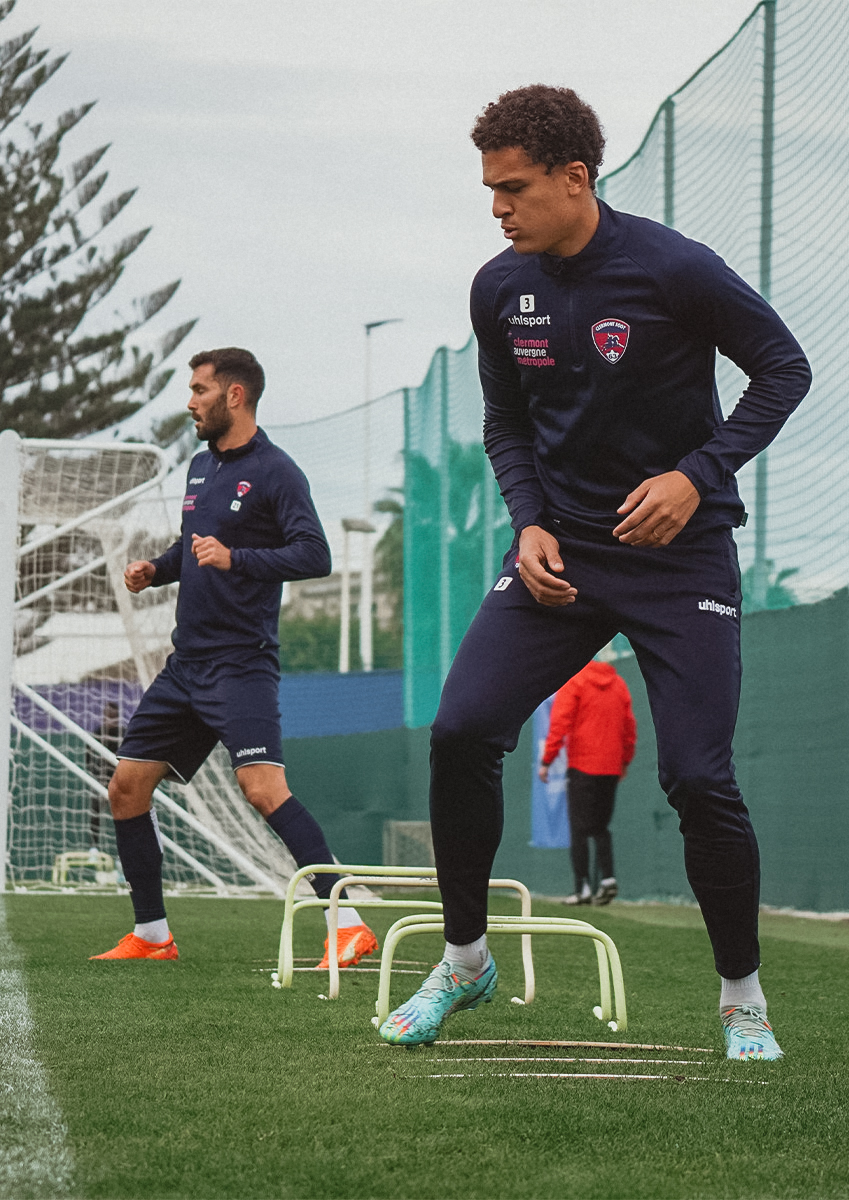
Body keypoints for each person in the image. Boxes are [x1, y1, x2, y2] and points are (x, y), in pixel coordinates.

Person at [379, 86, 810, 1059]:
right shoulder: (498, 287)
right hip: (560, 553)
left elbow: (783, 368)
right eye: (489, 190)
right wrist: (527, 524)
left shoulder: (674, 270)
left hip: (678, 558)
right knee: (460, 731)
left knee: (698, 778)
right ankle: (463, 963)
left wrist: (697, 478)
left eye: (515, 188)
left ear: (576, 179)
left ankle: (741, 997)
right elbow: (505, 424)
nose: (498, 208)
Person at [92, 347, 377, 966]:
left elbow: (314, 555)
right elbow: (194, 546)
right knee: (126, 789)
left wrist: (237, 558)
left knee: (262, 788)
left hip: (240, 664)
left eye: (198, 390)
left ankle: (349, 922)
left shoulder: (277, 472)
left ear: (235, 395)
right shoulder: (199, 467)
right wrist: (157, 570)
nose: (190, 401)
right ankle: (152, 935)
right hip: (185, 665)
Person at [537, 657, 635, 906]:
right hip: (610, 768)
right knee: (600, 827)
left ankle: (582, 889)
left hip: (582, 766)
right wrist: (623, 762)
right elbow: (629, 728)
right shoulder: (619, 684)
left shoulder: (575, 681)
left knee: (579, 829)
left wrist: (547, 760)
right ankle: (608, 879)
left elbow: (560, 722)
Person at [88, 702, 124, 849]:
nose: (110, 719)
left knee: (122, 816)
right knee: (95, 811)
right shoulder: (98, 732)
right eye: (108, 716)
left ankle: (121, 853)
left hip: (120, 779)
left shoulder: (123, 733)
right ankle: (93, 848)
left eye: (113, 716)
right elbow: (88, 754)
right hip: (102, 779)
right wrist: (93, 771)